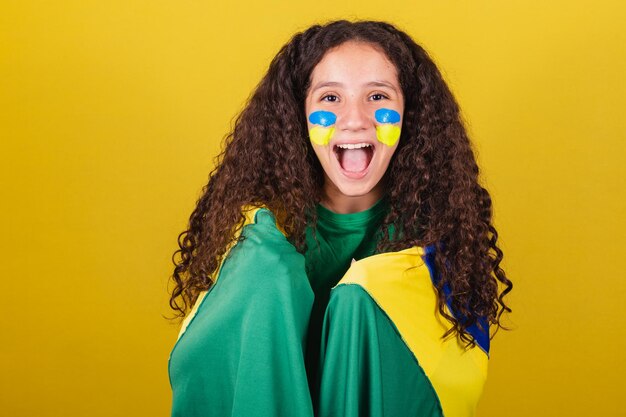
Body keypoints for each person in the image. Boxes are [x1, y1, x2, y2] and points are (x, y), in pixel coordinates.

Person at [168, 20, 512, 417]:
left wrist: (364, 307)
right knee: (262, 269)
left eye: (378, 96)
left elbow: (455, 369)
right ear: (299, 114)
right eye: (330, 98)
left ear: (410, 114)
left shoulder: (439, 234)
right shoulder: (259, 235)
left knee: (361, 297)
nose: (354, 119)